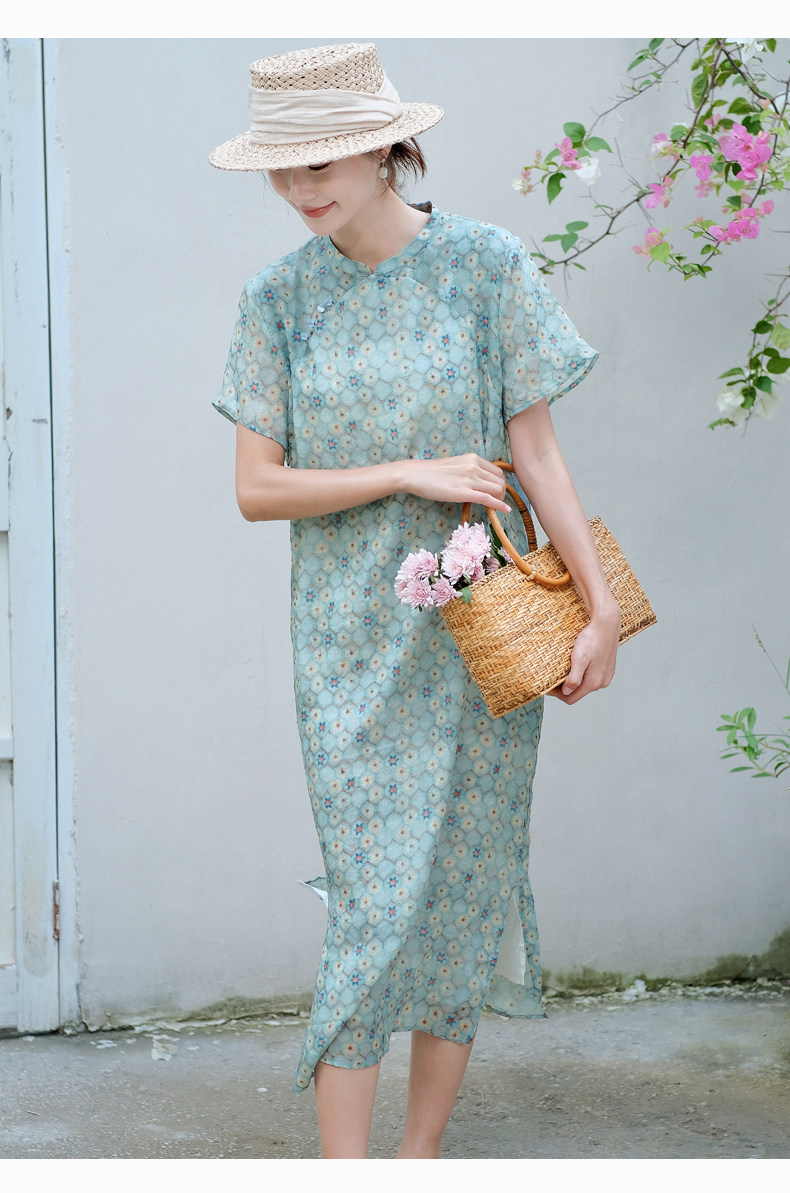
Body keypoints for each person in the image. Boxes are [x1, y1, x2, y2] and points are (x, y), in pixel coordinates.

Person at [210, 42, 621, 1160]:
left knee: (464, 889)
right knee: (373, 899)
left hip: (483, 632)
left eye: (321, 161)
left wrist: (598, 610)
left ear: (386, 146)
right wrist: (407, 472)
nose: (300, 189)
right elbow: (257, 489)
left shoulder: (486, 265)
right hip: (347, 643)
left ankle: (418, 1157)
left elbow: (540, 457)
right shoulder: (278, 300)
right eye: (282, 168)